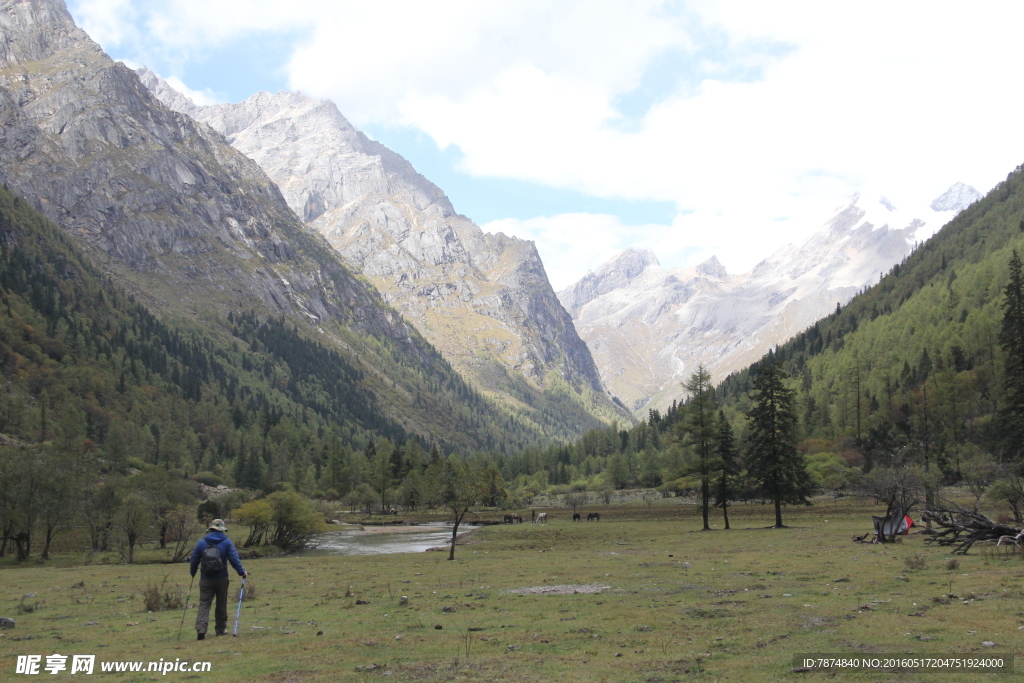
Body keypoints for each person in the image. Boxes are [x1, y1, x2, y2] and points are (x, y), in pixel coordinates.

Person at [189, 519, 248, 640]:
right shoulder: (226, 542)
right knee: (221, 604)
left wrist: (193, 572)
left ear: (210, 529)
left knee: (204, 604)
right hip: (221, 578)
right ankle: (220, 629)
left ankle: (201, 629)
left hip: (205, 578)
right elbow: (234, 559)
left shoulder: (202, 542)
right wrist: (241, 572)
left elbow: (194, 559)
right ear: (222, 529)